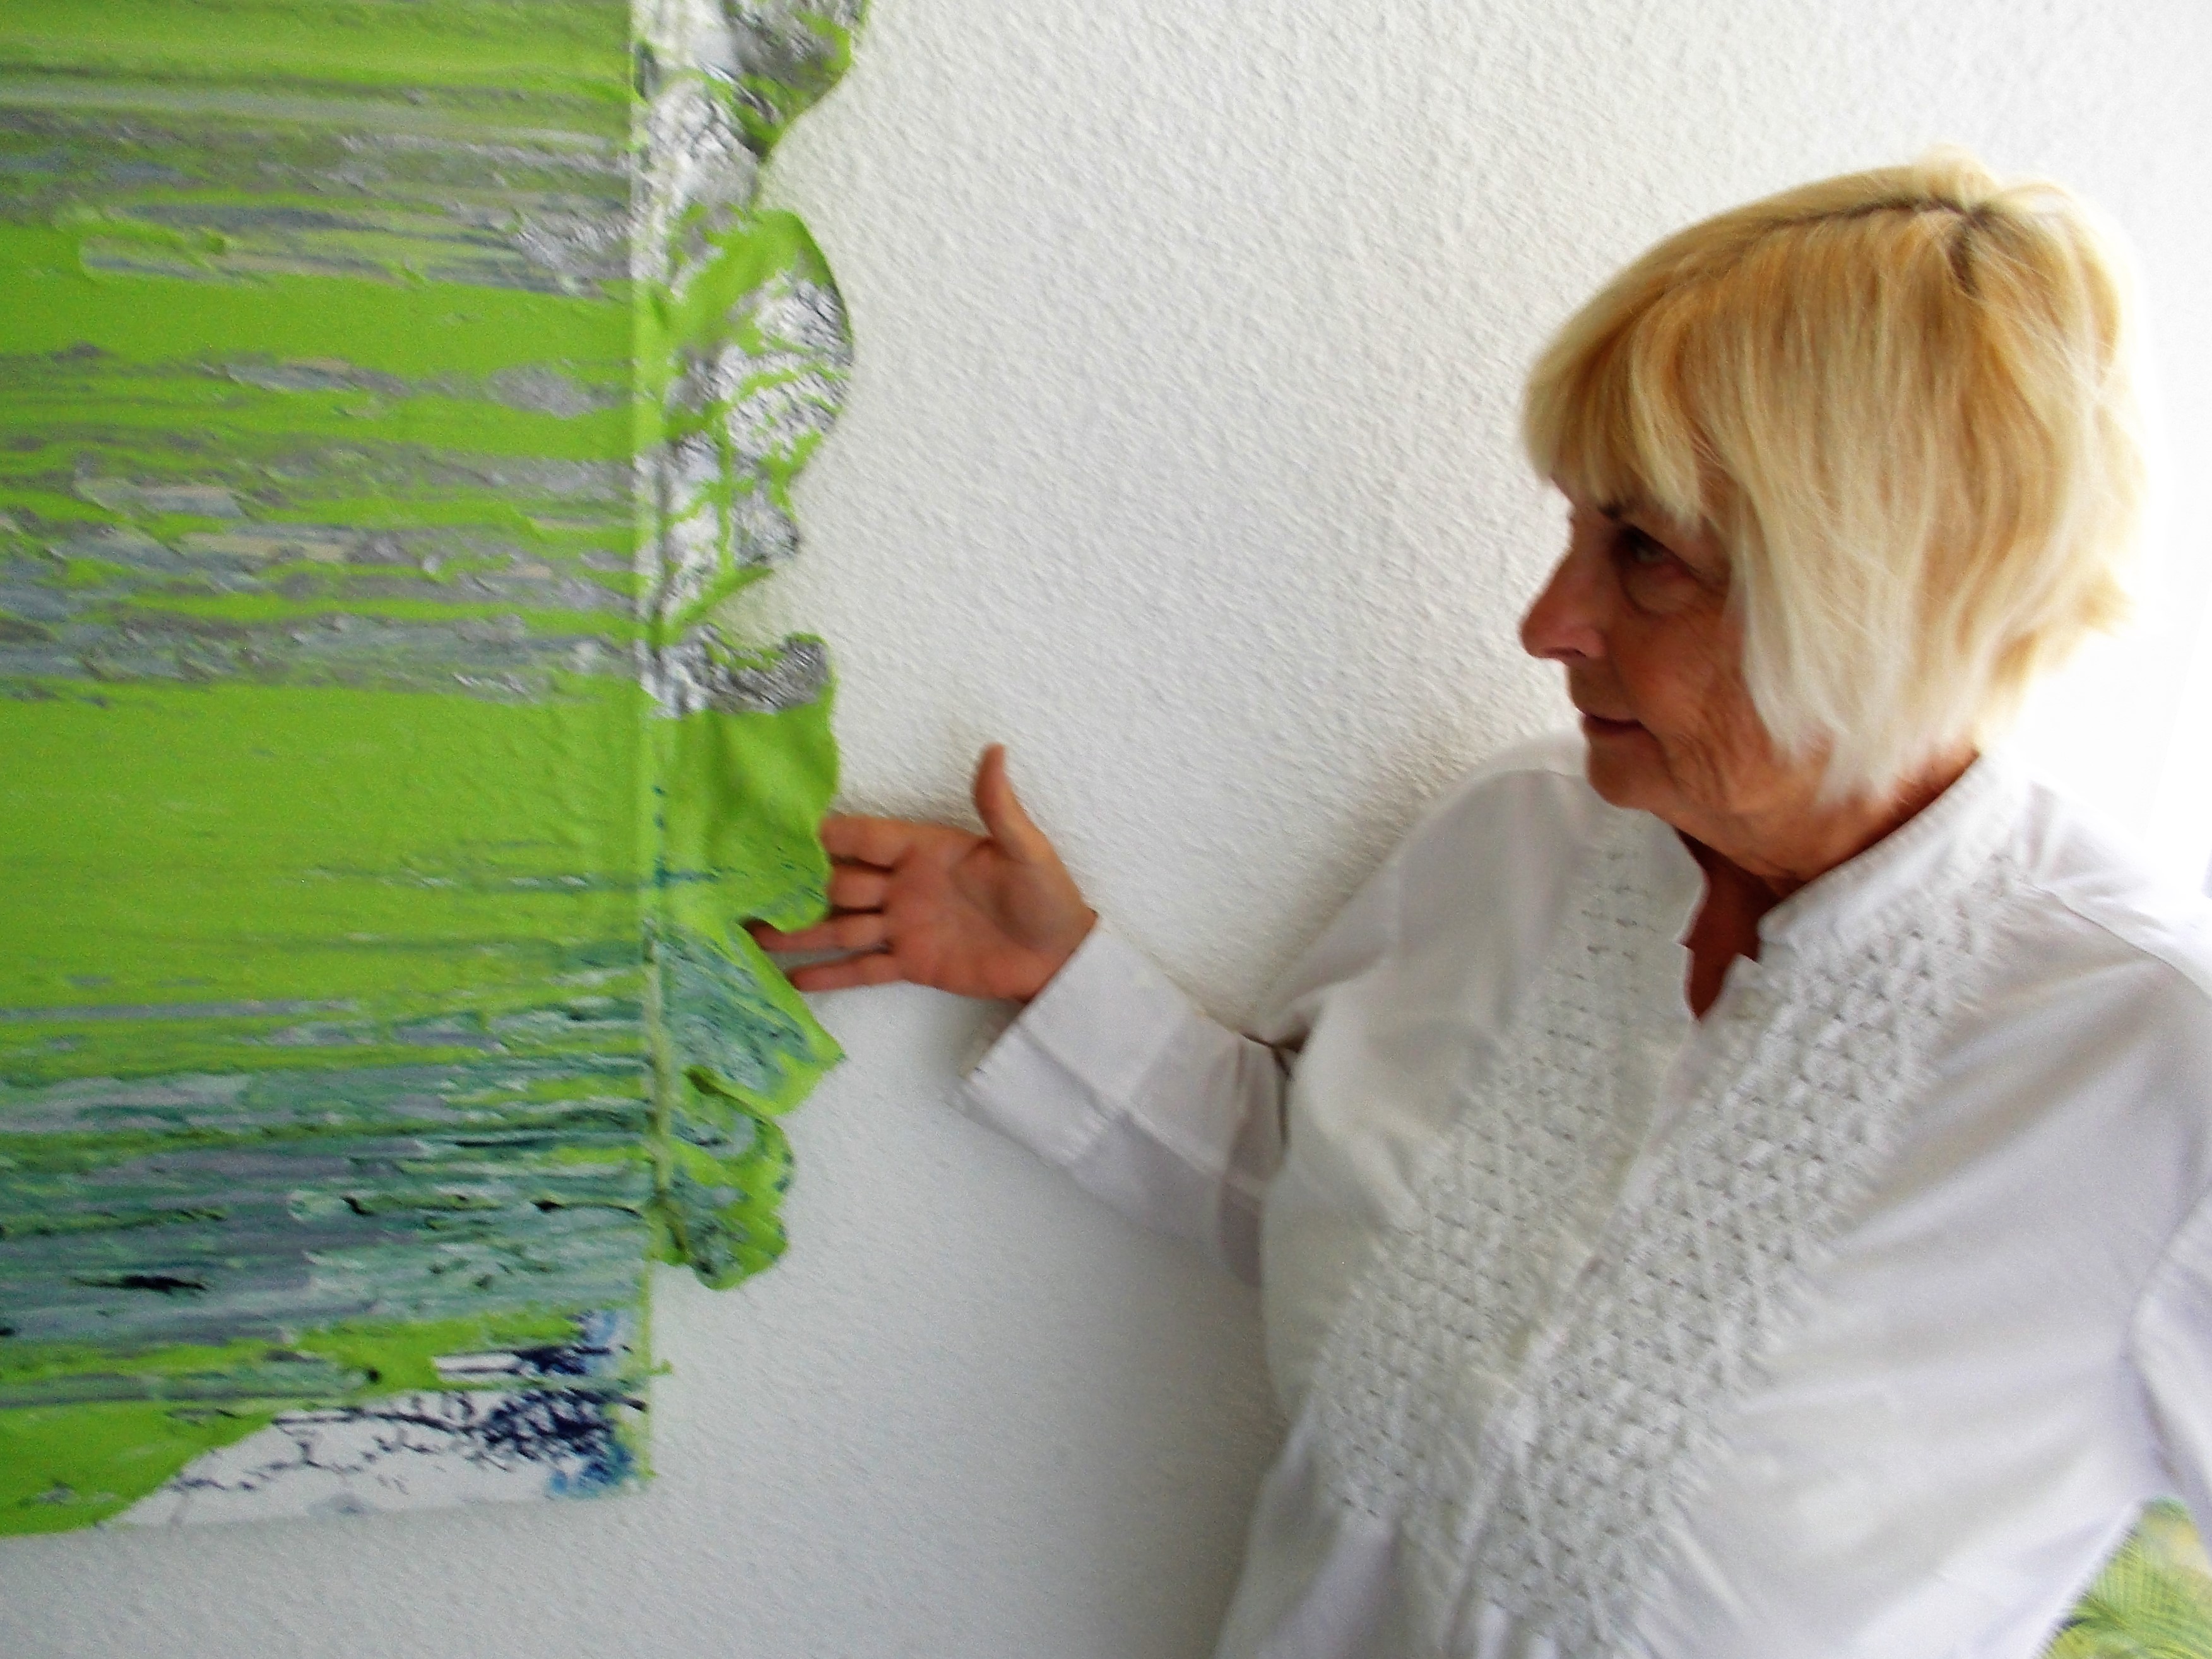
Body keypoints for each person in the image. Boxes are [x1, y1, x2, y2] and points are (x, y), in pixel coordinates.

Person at [753, 152, 2212, 1659]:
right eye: (1575, 528)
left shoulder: (2149, 1066)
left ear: (1881, 589)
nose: (1545, 621)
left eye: (1644, 555)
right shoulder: (1521, 836)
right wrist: (1060, 977)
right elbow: (1353, 1209)